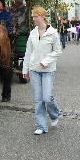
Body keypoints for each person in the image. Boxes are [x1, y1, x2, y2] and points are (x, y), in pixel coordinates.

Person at [22, 7, 62, 135]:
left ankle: (55, 114)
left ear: (43, 17)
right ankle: (41, 126)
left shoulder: (53, 33)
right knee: (38, 100)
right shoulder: (32, 33)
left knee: (47, 98)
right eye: (33, 16)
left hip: (48, 69)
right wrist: (25, 69)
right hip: (34, 70)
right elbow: (28, 52)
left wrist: (46, 61)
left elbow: (57, 51)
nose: (34, 19)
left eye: (36, 16)